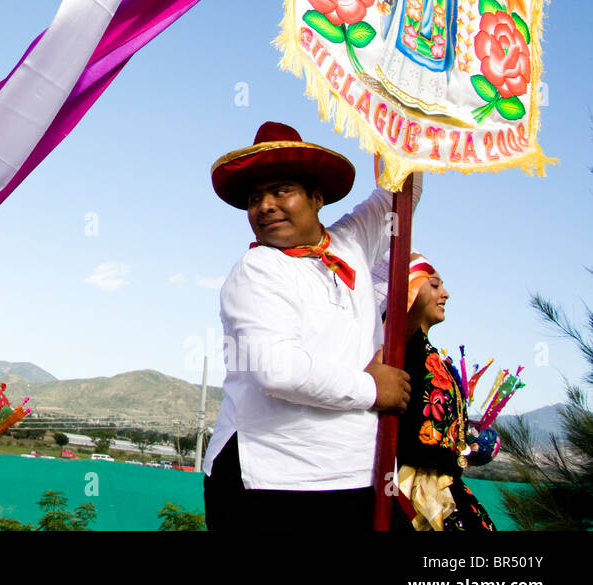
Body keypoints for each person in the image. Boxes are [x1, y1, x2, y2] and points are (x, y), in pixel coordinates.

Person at [202, 121, 415, 531]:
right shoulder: (257, 268)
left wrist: (406, 115)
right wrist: (374, 388)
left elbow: (401, 192)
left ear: (317, 198)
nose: (264, 206)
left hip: (356, 475)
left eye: (281, 190)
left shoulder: (350, 242)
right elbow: (279, 370)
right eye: (254, 198)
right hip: (273, 482)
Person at [394, 253, 496, 530]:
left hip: (447, 484)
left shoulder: (434, 357)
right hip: (418, 491)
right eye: (435, 285)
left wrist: (467, 441)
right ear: (411, 289)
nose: (446, 294)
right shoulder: (399, 349)